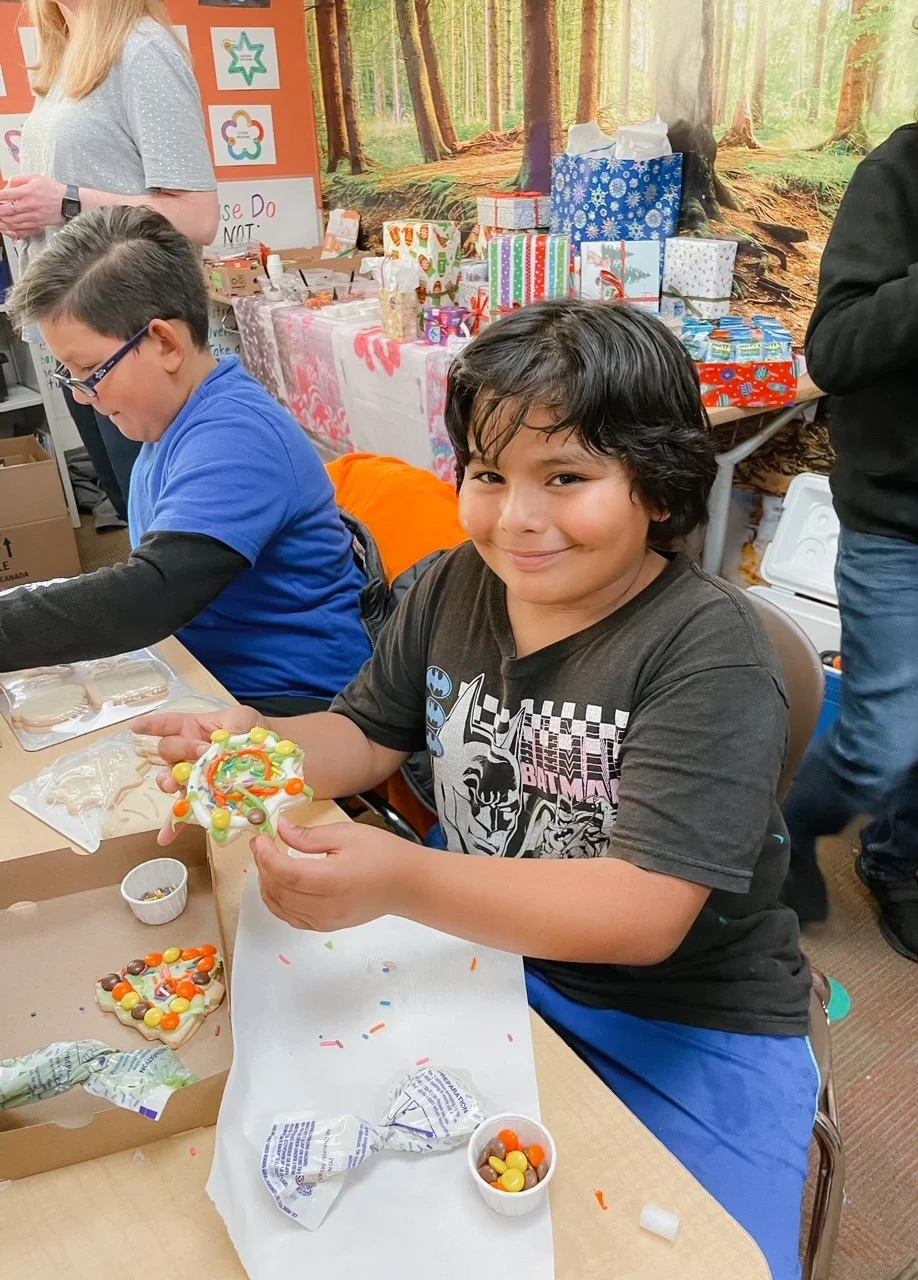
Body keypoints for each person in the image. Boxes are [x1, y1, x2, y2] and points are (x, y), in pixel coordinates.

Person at [139, 300, 818, 1280]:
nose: (518, 516)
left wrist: (400, 876)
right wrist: (260, 748)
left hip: (687, 1017)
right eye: (489, 474)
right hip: (490, 961)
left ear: (659, 490)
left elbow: (643, 911)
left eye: (569, 477)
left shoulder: (705, 652)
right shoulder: (456, 584)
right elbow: (368, 733)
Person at [1, 206, 372, 716]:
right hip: (207, 670)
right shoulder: (170, 421)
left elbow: (152, 594)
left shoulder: (236, 435)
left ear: (165, 343)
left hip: (293, 699)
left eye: (90, 371)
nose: (84, 396)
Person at [781, 1, 918, 964]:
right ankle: (775, 839)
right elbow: (835, 349)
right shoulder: (904, 171)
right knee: (887, 729)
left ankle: (892, 864)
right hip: (895, 513)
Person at [0, 0, 219, 523]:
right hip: (76, 333)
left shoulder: (142, 50)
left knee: (165, 515)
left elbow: (198, 215)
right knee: (130, 502)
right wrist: (32, 212)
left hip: (129, 331)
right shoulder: (67, 58)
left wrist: (67, 201)